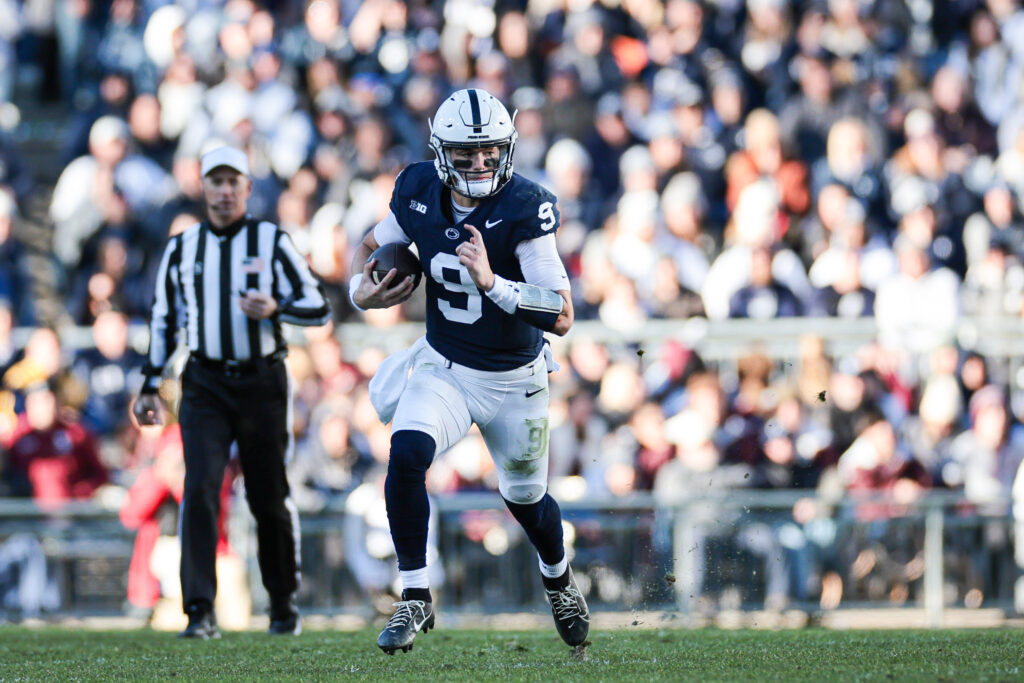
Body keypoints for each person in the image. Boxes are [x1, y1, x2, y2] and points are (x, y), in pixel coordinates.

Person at [350, 88, 589, 654]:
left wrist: (492, 283)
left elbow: (561, 313)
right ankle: (414, 595)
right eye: (465, 153)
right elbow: (372, 245)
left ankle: (557, 577)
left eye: (489, 152)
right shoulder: (416, 191)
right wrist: (364, 293)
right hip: (446, 367)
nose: (480, 164)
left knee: (526, 500)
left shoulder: (525, 207)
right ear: (440, 152)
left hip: (515, 379)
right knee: (406, 454)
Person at [133, 145, 331, 639]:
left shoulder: (271, 241)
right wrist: (151, 381)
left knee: (268, 493)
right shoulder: (183, 247)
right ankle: (198, 609)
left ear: (246, 187)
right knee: (198, 487)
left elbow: (318, 306)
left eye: (232, 183)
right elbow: (164, 319)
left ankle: (282, 603)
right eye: (215, 182)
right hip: (205, 380)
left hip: (263, 379)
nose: (224, 192)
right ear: (204, 188)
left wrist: (275, 307)